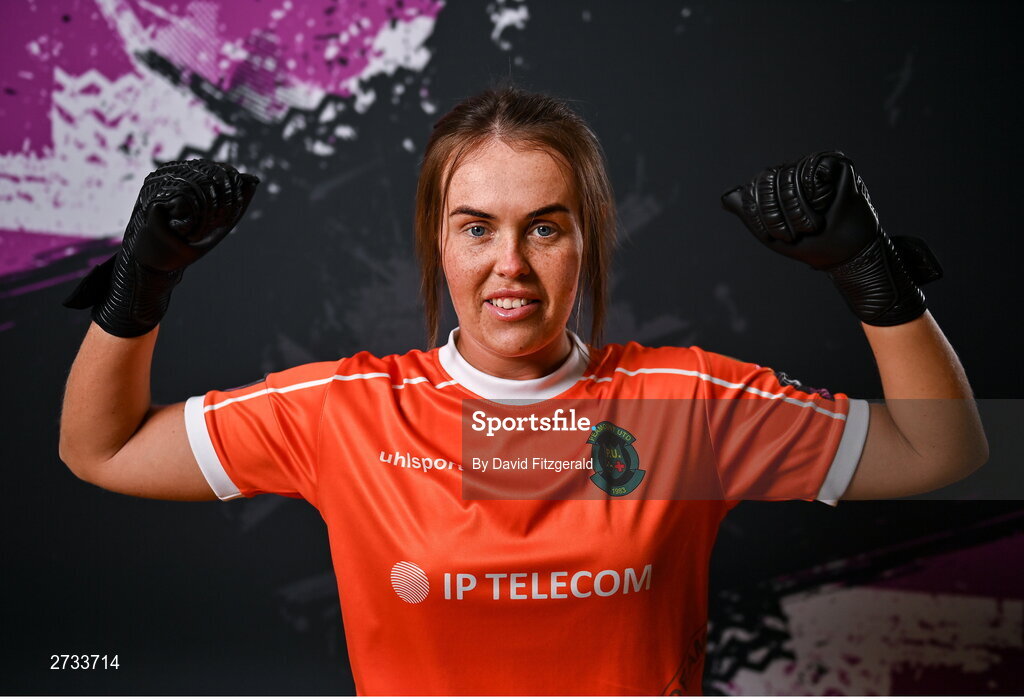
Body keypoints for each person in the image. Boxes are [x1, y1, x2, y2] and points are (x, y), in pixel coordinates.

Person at [59, 86, 988, 695]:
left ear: (588, 240)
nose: (511, 264)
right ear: (437, 242)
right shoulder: (345, 411)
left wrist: (872, 276)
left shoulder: (685, 402)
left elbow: (946, 450)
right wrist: (142, 285)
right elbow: (100, 448)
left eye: (545, 227)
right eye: (477, 228)